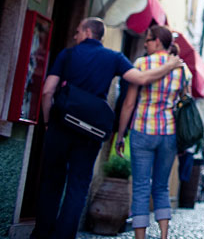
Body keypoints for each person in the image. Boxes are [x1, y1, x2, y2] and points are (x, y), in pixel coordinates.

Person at [31, 17, 182, 239]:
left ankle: (41, 234)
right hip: (90, 131)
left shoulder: (68, 54)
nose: (75, 36)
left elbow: (47, 91)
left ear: (87, 33)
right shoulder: (114, 58)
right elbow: (140, 79)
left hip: (61, 127)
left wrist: (46, 122)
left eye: (78, 32)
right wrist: (168, 65)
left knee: (51, 182)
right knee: (78, 186)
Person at [115, 25, 191, 239]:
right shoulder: (182, 69)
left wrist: (121, 135)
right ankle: (164, 236)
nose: (146, 44)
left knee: (140, 186)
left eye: (148, 40)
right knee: (161, 187)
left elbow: (129, 103)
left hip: (142, 129)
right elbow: (185, 103)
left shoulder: (141, 64)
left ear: (157, 41)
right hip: (169, 133)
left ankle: (140, 237)